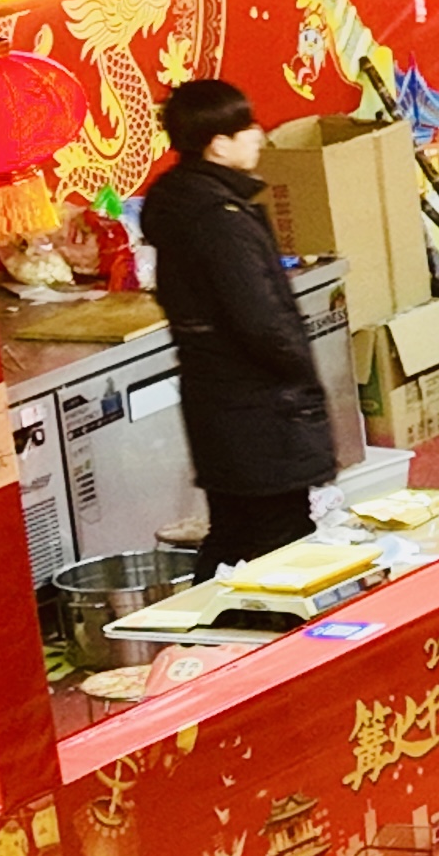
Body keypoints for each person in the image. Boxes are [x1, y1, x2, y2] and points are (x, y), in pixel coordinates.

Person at [137, 77, 339, 569]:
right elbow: (261, 321)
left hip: (219, 403)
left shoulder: (184, 205)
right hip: (259, 408)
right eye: (246, 127)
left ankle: (205, 620)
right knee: (282, 540)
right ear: (219, 144)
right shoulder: (219, 219)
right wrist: (301, 376)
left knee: (232, 534)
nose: (259, 135)